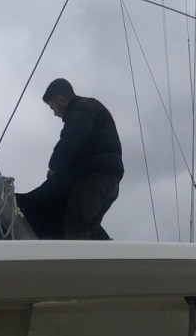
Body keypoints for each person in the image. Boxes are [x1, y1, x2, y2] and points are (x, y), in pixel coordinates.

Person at [16, 78, 124, 240]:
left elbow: (72, 138)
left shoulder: (83, 109)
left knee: (74, 225)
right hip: (109, 181)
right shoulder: (90, 109)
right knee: (89, 231)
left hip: (97, 178)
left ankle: (79, 257)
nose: (54, 113)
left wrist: (55, 167)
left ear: (61, 99)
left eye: (52, 107)